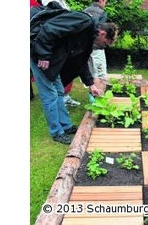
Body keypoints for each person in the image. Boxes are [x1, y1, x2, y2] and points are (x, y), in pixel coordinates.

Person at [30, 3, 119, 144]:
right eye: (106, 43)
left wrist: (91, 85)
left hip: (52, 58)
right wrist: (44, 55)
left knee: (59, 91)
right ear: (103, 33)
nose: (103, 47)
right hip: (39, 53)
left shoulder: (88, 39)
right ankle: (56, 132)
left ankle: (66, 126)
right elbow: (49, 28)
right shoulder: (84, 21)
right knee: (50, 95)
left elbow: (81, 63)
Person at [40, 0, 81, 107]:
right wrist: (44, 54)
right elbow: (48, 29)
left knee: (62, 76)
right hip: (52, 49)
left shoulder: (63, 2)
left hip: (63, 46)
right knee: (52, 83)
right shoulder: (49, 2)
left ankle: (63, 99)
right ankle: (57, 104)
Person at [84, 0, 108, 103]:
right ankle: (98, 100)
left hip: (85, 48)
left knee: (91, 71)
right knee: (99, 73)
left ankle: (92, 96)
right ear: (101, 0)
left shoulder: (85, 11)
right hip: (96, 48)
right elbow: (100, 33)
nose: (105, 3)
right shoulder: (101, 13)